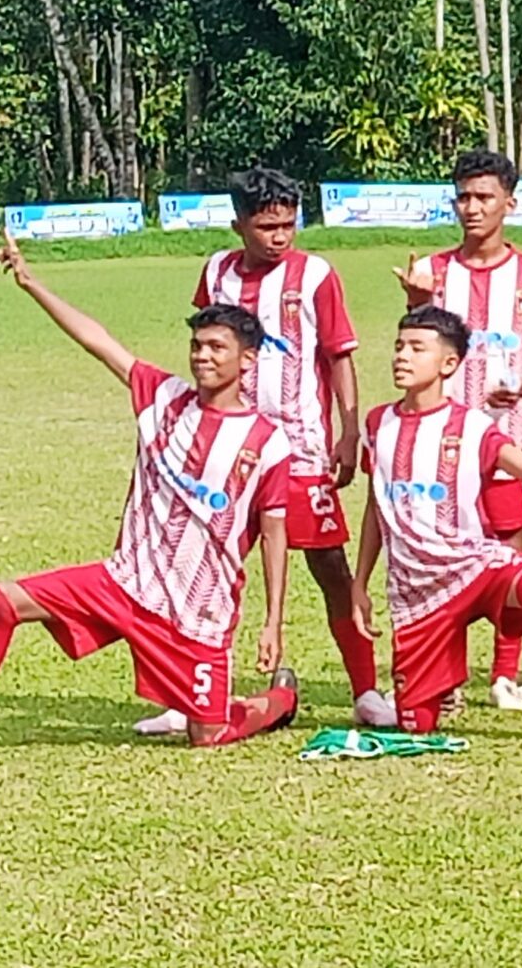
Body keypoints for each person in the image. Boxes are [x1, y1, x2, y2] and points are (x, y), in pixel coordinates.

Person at [0, 235, 301, 768]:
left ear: (247, 360)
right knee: (4, 601)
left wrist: (273, 622)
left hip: (197, 611)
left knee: (208, 734)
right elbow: (97, 341)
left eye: (216, 348)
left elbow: (274, 531)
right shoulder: (163, 396)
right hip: (124, 582)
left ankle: (279, 701)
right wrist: (31, 281)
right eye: (197, 346)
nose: (202, 356)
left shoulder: (268, 441)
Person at [348, 307, 522, 750]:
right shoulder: (377, 423)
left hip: (474, 565)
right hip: (417, 591)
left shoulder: (472, 426)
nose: (402, 356)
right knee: (416, 727)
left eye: (416, 348)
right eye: (399, 346)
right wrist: (361, 582)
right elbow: (375, 506)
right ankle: (396, 703)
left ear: (448, 364)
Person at [184, 166, 381, 730]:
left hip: (299, 445)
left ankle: (366, 690)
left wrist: (348, 429)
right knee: (207, 567)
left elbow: (338, 355)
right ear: (239, 224)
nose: (280, 236)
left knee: (328, 565)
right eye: (267, 226)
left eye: (288, 225)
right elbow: (206, 344)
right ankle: (193, 694)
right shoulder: (216, 272)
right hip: (227, 448)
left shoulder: (315, 274)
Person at [394, 149, 522, 711]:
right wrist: (416, 301)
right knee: (438, 561)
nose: (472, 208)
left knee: (510, 562)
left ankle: (504, 675)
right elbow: (414, 341)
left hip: (506, 441)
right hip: (437, 449)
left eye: (484, 197)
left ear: (509, 204)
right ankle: (443, 679)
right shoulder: (435, 273)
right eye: (464, 197)